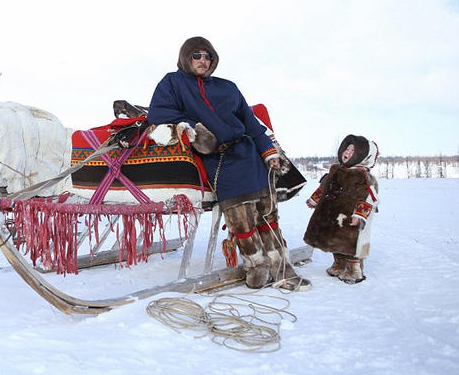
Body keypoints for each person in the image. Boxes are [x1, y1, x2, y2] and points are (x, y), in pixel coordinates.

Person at [147, 36, 310, 291]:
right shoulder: (172, 82)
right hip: (217, 156)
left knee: (268, 212)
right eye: (197, 55)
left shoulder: (228, 87)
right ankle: (256, 265)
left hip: (247, 150)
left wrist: (268, 150)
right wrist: (194, 129)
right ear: (186, 58)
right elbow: (158, 113)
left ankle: (282, 267)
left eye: (207, 56)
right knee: (240, 214)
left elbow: (250, 122)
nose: (203, 60)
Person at [304, 135, 379, 284]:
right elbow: (324, 187)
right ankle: (339, 265)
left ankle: (354, 270)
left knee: (350, 242)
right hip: (333, 214)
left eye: (353, 151)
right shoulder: (336, 170)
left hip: (351, 217)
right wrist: (314, 199)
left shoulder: (363, 176)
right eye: (347, 148)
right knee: (333, 239)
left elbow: (368, 197)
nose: (348, 152)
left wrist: (359, 215)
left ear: (364, 156)